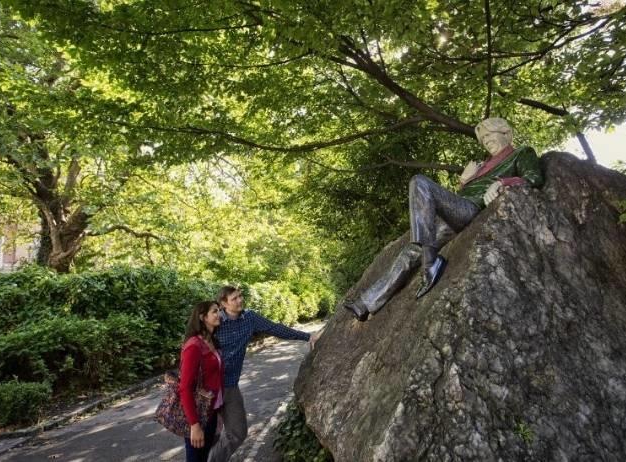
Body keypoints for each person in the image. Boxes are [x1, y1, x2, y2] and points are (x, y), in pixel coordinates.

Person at [344, 117, 544, 321]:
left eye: (489, 134)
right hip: (454, 212)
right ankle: (365, 304)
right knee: (412, 251)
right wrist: (465, 180)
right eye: (482, 138)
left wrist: (502, 183)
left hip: (470, 209)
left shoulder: (521, 153)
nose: (485, 141)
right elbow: (465, 191)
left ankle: (431, 263)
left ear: (506, 134)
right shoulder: (482, 165)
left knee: (419, 181)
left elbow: (534, 178)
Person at [209, 286, 319, 462]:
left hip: (229, 385)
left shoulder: (249, 318)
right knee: (206, 435)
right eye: (234, 299)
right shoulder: (214, 322)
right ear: (223, 304)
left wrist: (308, 337)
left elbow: (275, 329)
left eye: (240, 296)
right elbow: (194, 344)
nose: (239, 300)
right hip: (208, 386)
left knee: (237, 432)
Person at [180, 301, 224, 462]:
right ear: (202, 317)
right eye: (214, 311)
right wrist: (194, 425)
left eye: (219, 310)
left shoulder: (212, 340)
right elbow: (185, 388)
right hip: (198, 414)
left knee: (203, 457)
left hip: (211, 411)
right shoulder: (194, 345)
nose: (219, 314)